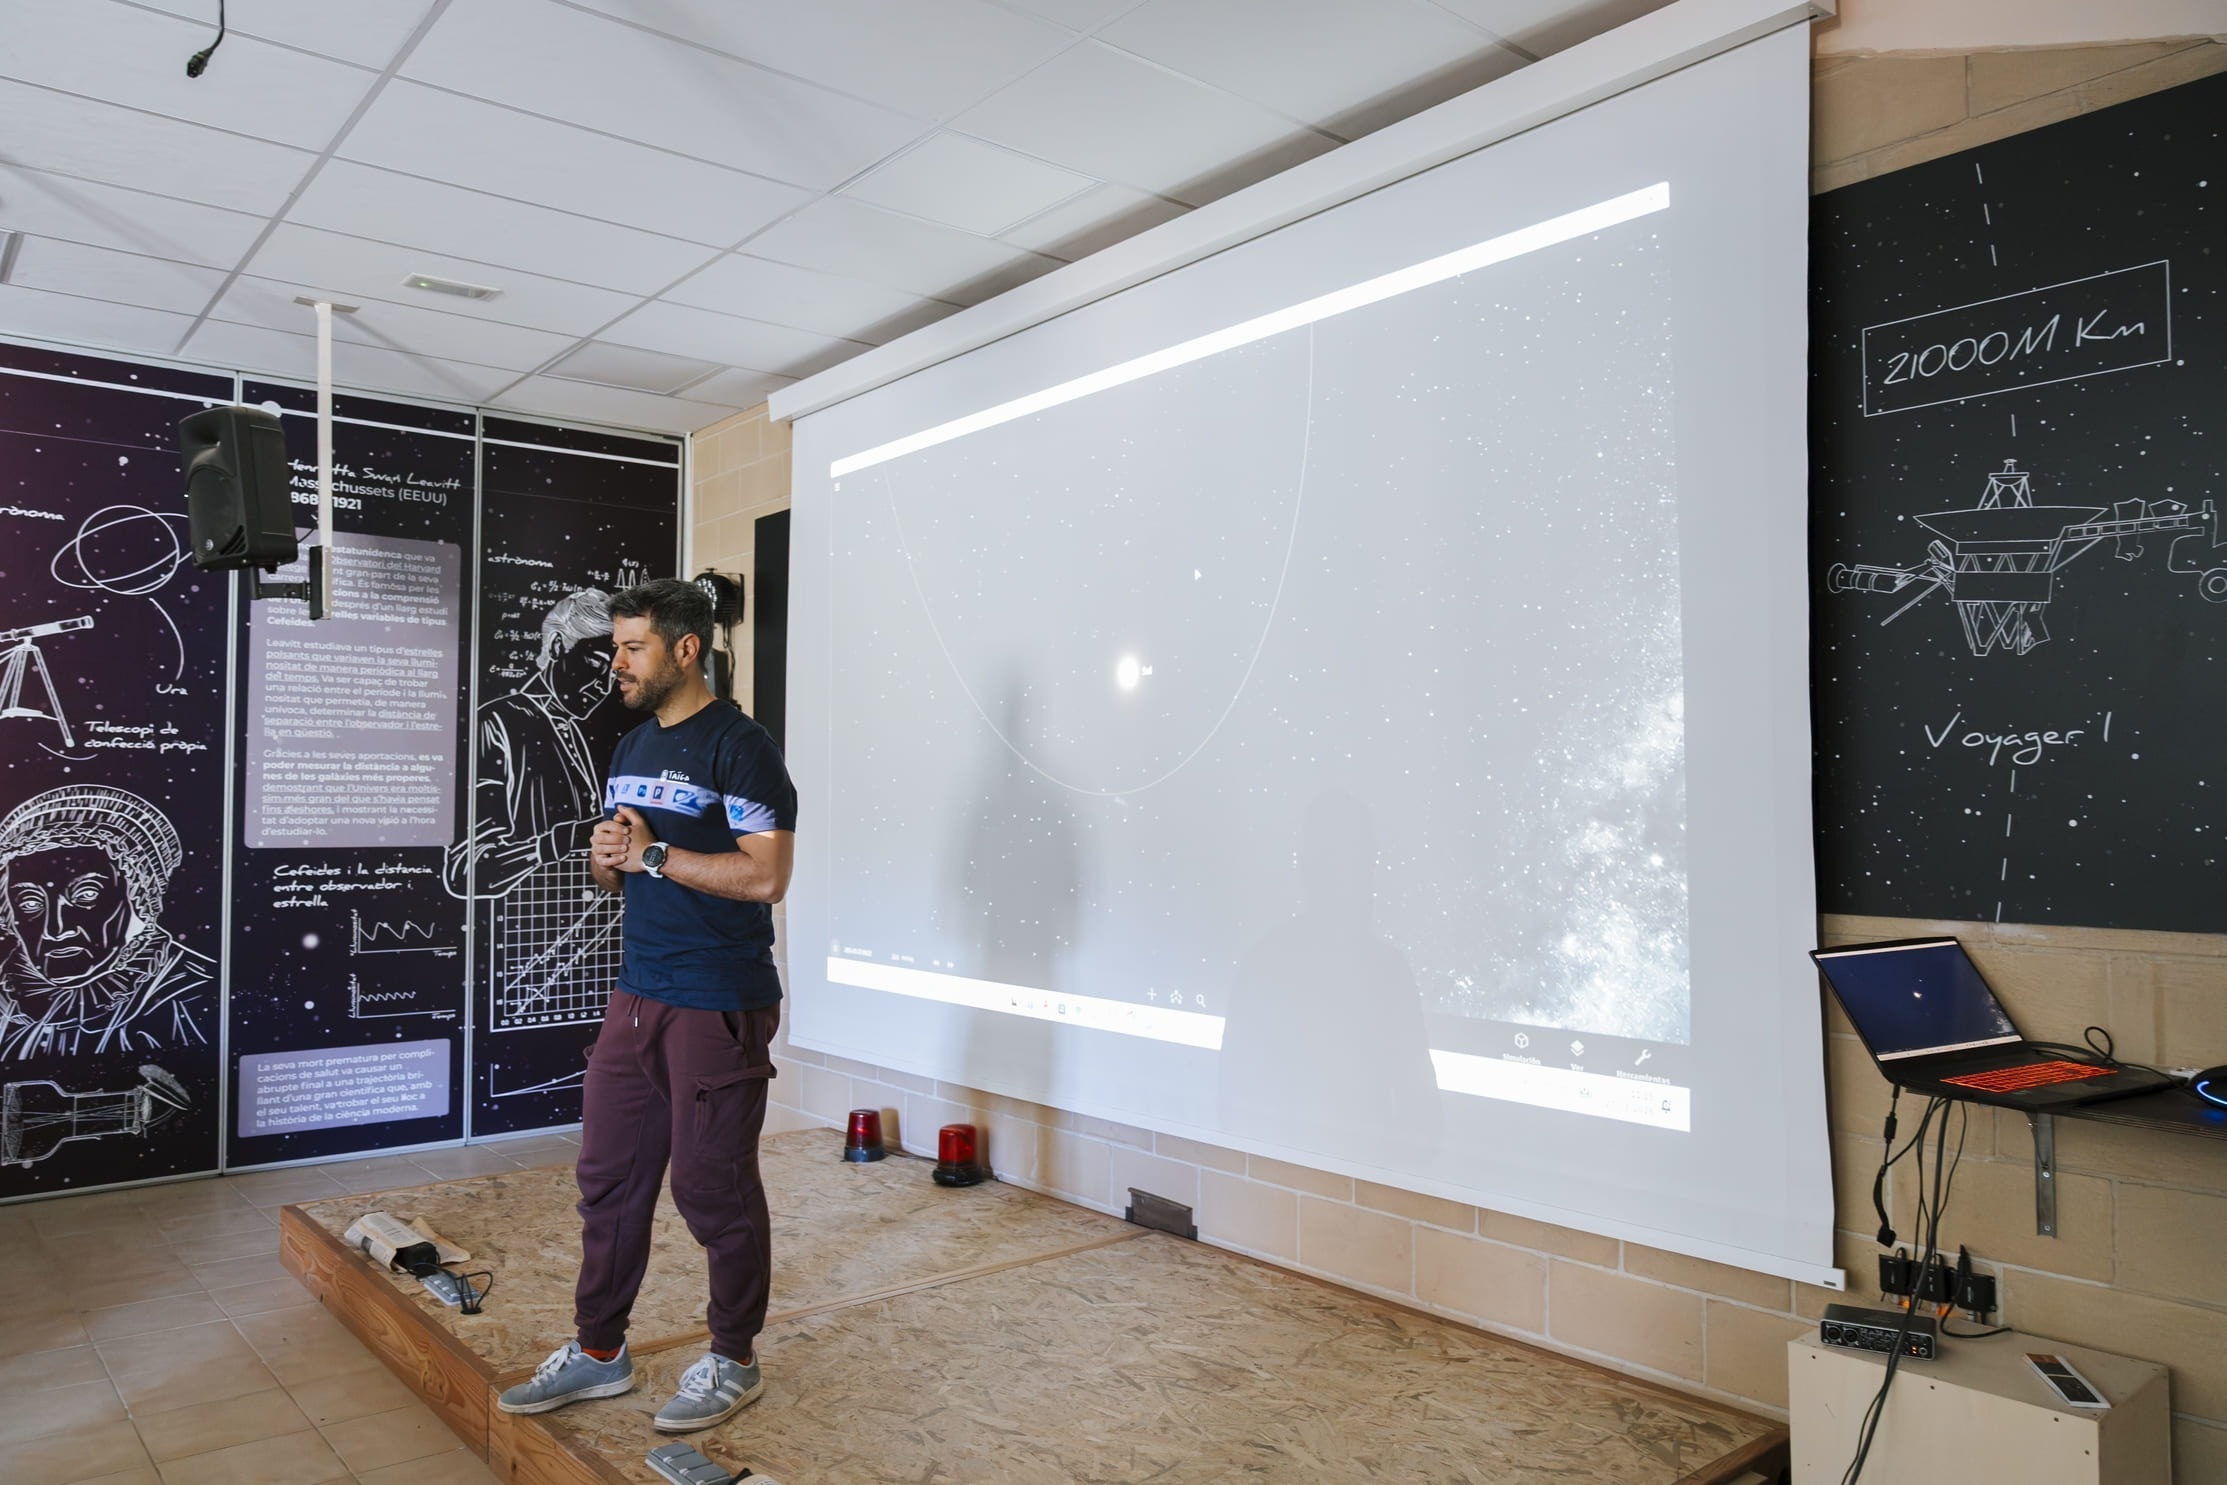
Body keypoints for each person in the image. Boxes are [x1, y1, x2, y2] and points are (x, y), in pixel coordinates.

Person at [497, 578, 797, 1434]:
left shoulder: (742, 749)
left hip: (716, 999)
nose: (617, 663)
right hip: (637, 995)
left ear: (685, 649)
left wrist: (656, 855)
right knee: (609, 1178)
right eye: (616, 647)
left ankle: (733, 1358)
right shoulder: (629, 746)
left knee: (712, 1187)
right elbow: (617, 863)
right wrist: (604, 853)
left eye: (633, 647)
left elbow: (766, 876)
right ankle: (600, 1350)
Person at [0, 785, 212, 1060]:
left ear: (141, 896)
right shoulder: (9, 1002)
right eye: (30, 902)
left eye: (86, 895)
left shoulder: (190, 995)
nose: (56, 930)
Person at [442, 587, 613, 899]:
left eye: (613, 675)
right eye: (594, 664)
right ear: (558, 645)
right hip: (518, 926)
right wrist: (565, 840)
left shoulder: (568, 727)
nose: (603, 687)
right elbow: (467, 870)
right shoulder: (497, 722)